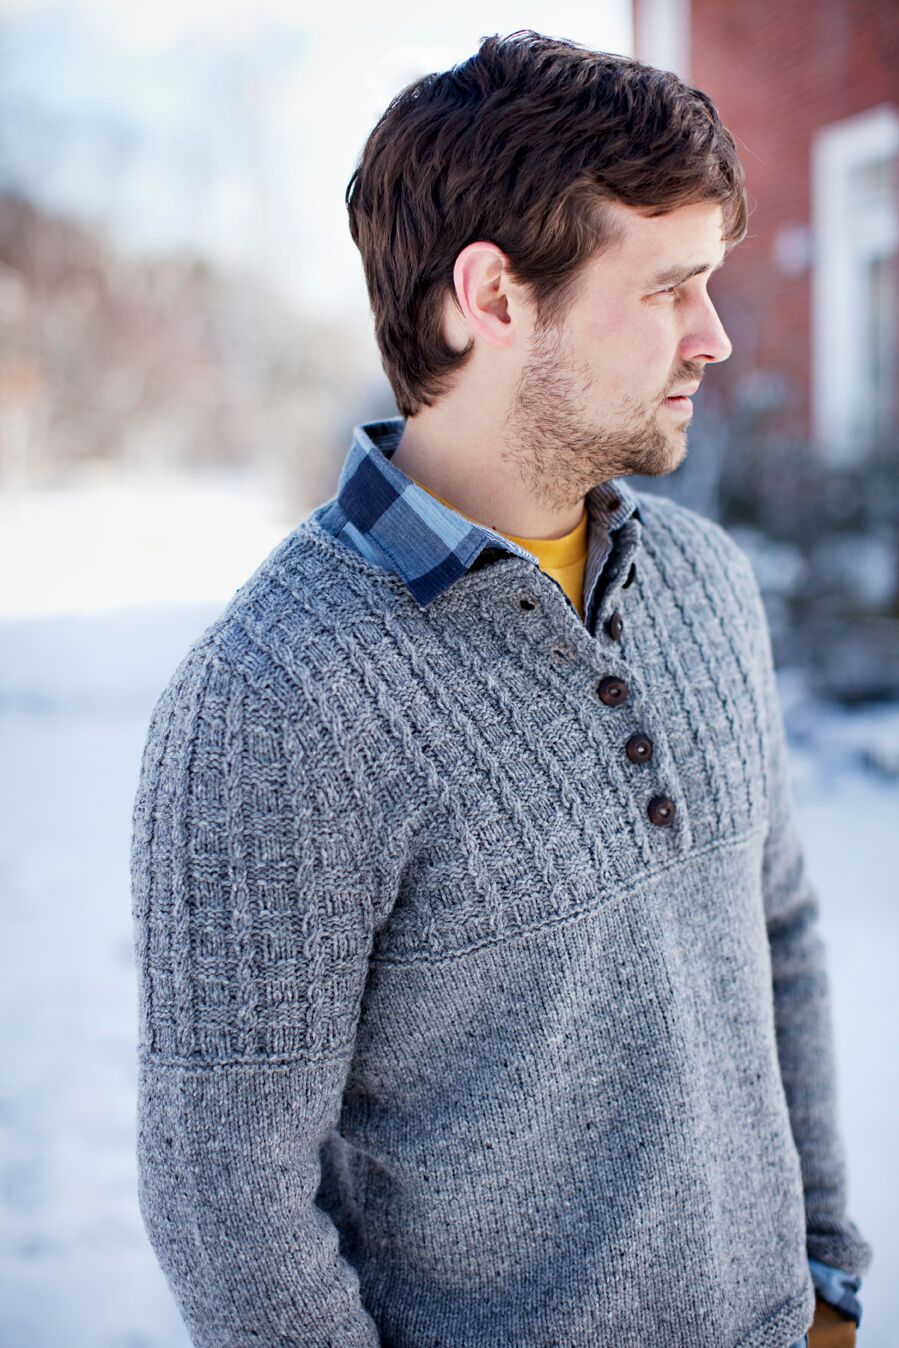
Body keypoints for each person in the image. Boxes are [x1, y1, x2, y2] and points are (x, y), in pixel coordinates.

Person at [130, 30, 872, 1347]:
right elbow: (228, 1199)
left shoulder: (706, 581)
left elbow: (783, 939)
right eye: (667, 290)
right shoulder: (275, 699)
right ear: (494, 296)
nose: (711, 337)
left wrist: (824, 1279)